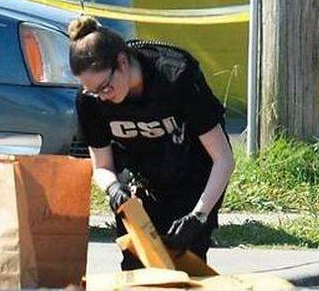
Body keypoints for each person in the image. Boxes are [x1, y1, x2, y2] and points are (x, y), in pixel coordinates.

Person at [67, 16, 235, 269]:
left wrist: (199, 216)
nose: (102, 97)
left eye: (105, 87)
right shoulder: (90, 100)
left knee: (186, 268)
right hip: (143, 186)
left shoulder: (175, 77)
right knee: (136, 270)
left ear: (122, 62)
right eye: (93, 91)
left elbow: (223, 159)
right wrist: (113, 189)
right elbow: (102, 165)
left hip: (195, 182)